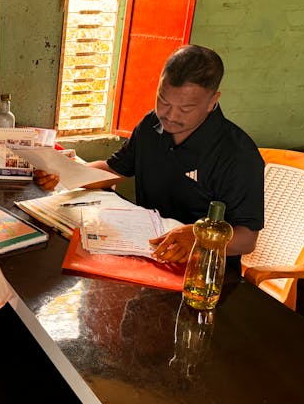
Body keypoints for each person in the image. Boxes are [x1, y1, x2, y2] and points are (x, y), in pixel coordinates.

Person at [36, 44, 264, 264]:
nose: (170, 116)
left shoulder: (238, 155)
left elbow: (247, 239)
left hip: (199, 267)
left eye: (186, 109)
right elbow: (114, 169)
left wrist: (198, 236)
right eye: (163, 101)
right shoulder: (151, 125)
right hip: (146, 251)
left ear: (212, 101)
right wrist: (63, 174)